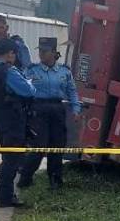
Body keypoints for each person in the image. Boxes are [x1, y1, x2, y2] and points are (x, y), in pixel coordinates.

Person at [20, 37, 81, 190]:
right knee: (38, 146)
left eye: (45, 51)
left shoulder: (64, 71)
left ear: (54, 52)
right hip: (38, 109)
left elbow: (72, 92)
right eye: (40, 50)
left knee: (57, 146)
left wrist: (76, 109)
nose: (41, 54)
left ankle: (55, 180)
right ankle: (25, 177)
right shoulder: (32, 70)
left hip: (57, 109)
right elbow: (23, 90)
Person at [0, 39, 35, 207]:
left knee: (7, 157)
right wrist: (30, 81)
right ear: (9, 53)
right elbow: (28, 91)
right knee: (12, 160)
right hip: (13, 118)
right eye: (13, 53)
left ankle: (5, 195)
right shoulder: (9, 71)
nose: (14, 56)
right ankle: (5, 197)